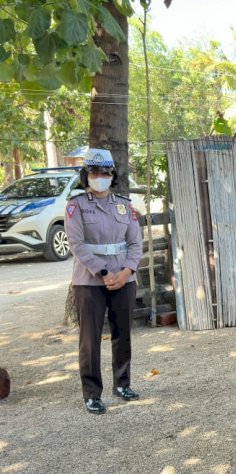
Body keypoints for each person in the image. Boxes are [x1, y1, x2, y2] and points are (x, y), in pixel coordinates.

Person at [64, 148, 143, 414]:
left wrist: (127, 271)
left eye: (106, 173)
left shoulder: (124, 205)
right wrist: (103, 272)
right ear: (86, 176)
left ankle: (122, 383)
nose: (101, 177)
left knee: (123, 333)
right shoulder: (76, 206)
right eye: (95, 173)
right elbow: (76, 245)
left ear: (112, 175)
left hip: (123, 278)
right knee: (90, 338)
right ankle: (92, 393)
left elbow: (135, 243)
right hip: (89, 281)